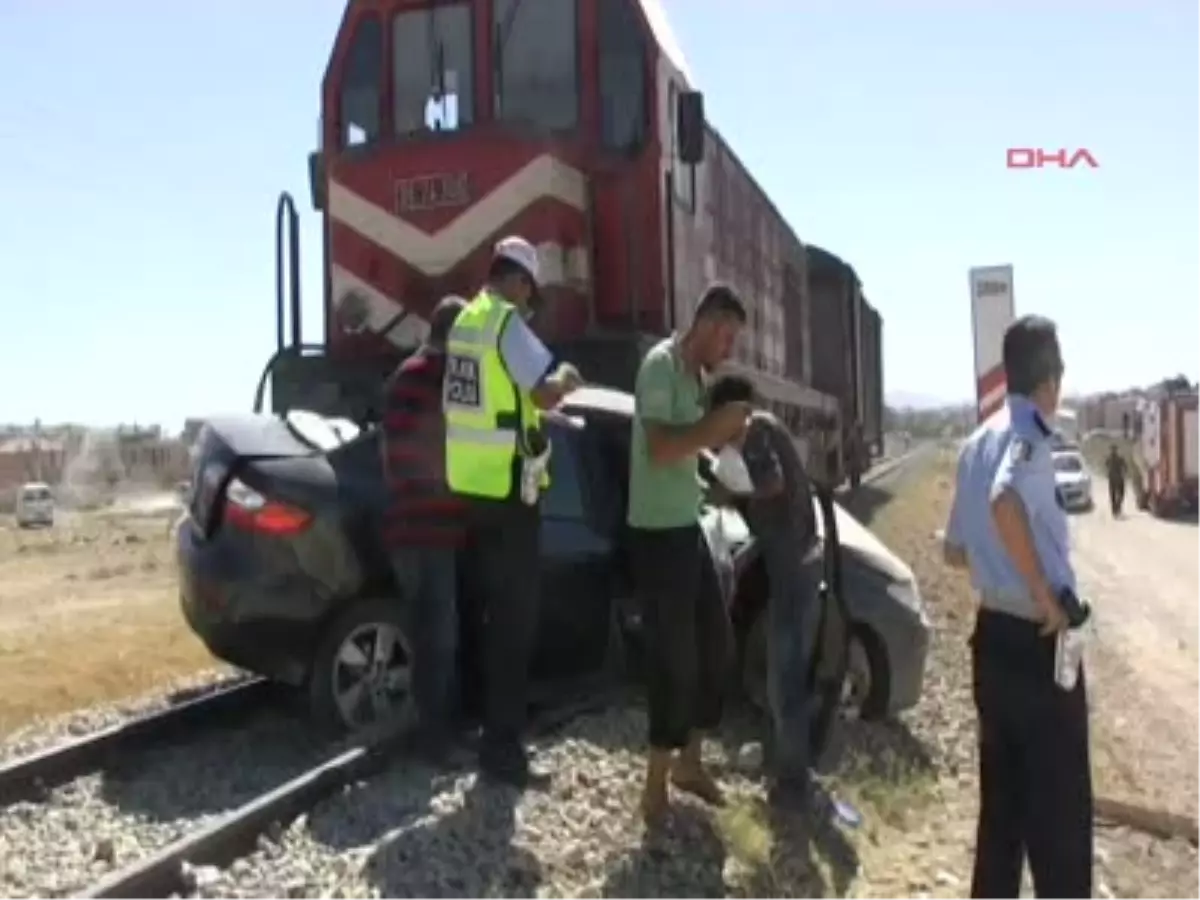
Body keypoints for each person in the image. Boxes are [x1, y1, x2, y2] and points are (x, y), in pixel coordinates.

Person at [942, 315, 1092, 900]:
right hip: (1038, 643)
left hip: (993, 638)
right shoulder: (1033, 430)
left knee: (1001, 813)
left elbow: (955, 551)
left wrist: (1001, 571)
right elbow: (1006, 501)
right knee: (1060, 819)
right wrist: (1042, 594)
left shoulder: (976, 442)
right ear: (1050, 378)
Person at [442, 235, 583, 788]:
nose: (529, 304)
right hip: (507, 491)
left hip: (469, 487)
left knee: (483, 616)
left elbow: (491, 398)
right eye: (529, 293)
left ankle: (481, 729)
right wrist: (566, 380)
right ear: (519, 281)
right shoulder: (505, 323)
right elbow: (542, 393)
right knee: (514, 624)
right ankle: (503, 751)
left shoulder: (464, 322)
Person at [627, 283, 751, 826]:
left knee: (717, 647)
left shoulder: (697, 378)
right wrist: (713, 429)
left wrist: (719, 469)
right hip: (657, 536)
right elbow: (659, 448)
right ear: (706, 323)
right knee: (672, 661)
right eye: (727, 336)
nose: (729, 348)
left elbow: (686, 452)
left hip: (687, 527)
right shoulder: (661, 366)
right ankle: (653, 788)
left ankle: (690, 764)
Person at [705, 376, 821, 810]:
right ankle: (792, 771)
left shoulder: (755, 431)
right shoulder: (763, 428)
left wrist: (730, 488)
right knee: (785, 674)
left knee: (784, 679)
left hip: (793, 570)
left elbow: (771, 482)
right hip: (796, 563)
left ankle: (793, 784)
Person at [381, 296, 468, 759]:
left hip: (410, 525)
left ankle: (432, 732)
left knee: (428, 634)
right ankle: (436, 741)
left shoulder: (405, 376)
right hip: (427, 527)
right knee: (438, 638)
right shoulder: (432, 377)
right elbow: (437, 449)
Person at [1105, 444, 1127, 516]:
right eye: (1113, 450)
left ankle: (1116, 508)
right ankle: (1116, 508)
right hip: (1117, 478)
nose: (1113, 451)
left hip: (1115, 478)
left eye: (1114, 449)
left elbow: (1106, 467)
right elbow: (1125, 467)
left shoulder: (1115, 459)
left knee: (1116, 494)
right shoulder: (1118, 458)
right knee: (1116, 494)